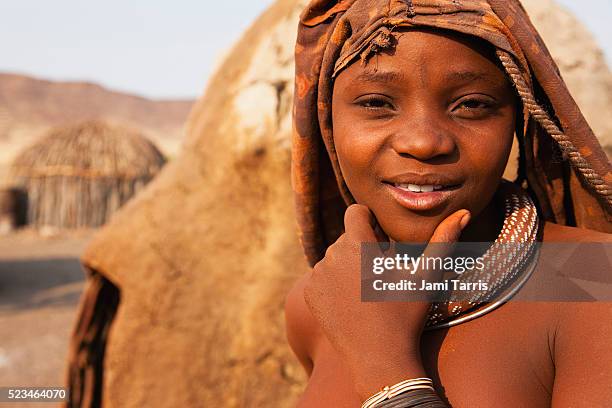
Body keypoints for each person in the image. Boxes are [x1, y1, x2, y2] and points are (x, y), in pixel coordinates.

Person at [285, 0, 612, 406]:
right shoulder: (319, 301)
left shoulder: (596, 281)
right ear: (326, 121)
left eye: (471, 104)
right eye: (376, 103)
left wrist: (387, 372)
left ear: (519, 121)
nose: (423, 143)